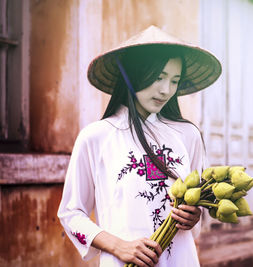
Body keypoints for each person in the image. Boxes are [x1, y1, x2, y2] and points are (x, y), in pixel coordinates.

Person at [57, 25, 221, 267]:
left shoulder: (188, 135)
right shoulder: (95, 137)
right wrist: (118, 246)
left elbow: (198, 205)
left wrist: (194, 216)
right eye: (158, 77)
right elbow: (71, 214)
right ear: (133, 75)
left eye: (174, 80)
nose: (166, 90)